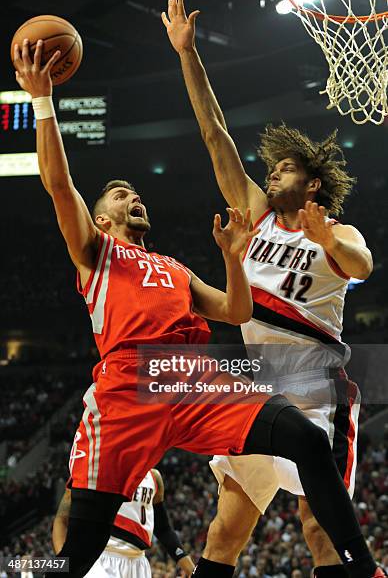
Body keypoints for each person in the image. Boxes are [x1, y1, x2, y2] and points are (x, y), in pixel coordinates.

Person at [13, 37, 384, 578]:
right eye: (118, 194)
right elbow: (61, 183)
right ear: (100, 221)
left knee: (308, 461)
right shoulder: (96, 253)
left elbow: (241, 310)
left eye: (133, 192)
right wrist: (43, 102)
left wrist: (239, 258)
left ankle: (366, 569)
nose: (130, 194)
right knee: (79, 556)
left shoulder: (177, 268)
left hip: (214, 379)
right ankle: (26, 566)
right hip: (134, 386)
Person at [162, 0, 382, 578]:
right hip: (257, 386)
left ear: (312, 185)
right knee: (226, 528)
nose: (272, 171)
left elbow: (362, 265)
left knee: (319, 529)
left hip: (314, 390)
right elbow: (217, 137)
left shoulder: (338, 231)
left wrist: (329, 240)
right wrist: (187, 53)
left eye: (285, 167)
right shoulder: (256, 216)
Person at [52, 469, 195, 577]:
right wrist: (66, 562)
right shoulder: (95, 469)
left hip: (139, 563)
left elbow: (163, 529)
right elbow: (62, 519)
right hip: (101, 558)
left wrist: (186, 563)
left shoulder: (154, 476)